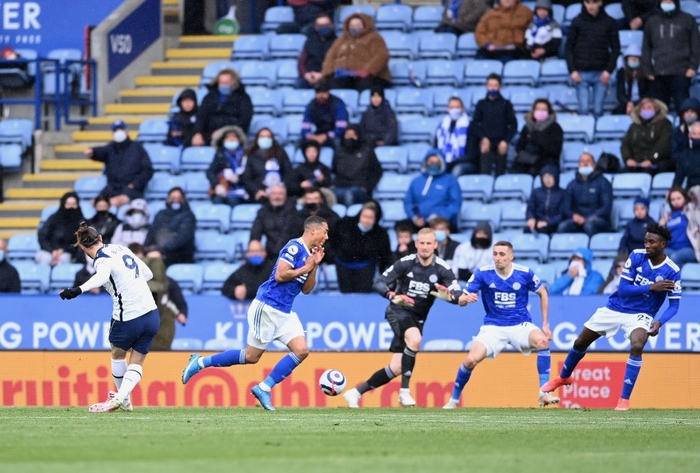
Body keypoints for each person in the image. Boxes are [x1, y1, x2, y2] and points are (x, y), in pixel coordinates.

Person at [181, 216, 329, 411]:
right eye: (325, 231)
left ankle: (264, 387)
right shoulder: (294, 247)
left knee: (302, 351)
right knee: (251, 356)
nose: (326, 236)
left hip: (285, 311)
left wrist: (314, 266)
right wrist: (306, 266)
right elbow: (280, 275)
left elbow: (307, 289)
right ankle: (200, 362)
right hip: (267, 307)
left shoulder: (310, 254)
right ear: (313, 231)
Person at [542, 224, 681, 411]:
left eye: (652, 242)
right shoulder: (636, 256)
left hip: (641, 315)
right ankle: (564, 377)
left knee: (638, 344)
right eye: (646, 241)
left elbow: (674, 306)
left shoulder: (672, 271)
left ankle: (623, 400)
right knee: (580, 342)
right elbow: (623, 290)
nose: (647, 245)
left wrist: (659, 322)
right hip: (615, 307)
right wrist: (650, 287)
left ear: (663, 244)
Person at [344, 228, 463, 408]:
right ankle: (404, 392)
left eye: (428, 243)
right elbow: (379, 283)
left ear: (435, 245)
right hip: (397, 310)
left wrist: (461, 298)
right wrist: (393, 296)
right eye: (421, 243)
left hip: (418, 318)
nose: (424, 247)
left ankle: (355, 392)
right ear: (415, 244)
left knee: (397, 367)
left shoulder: (442, 268)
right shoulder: (405, 263)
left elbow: (455, 291)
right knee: (415, 340)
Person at [443, 240, 557, 409]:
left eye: (502, 254)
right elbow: (461, 300)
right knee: (470, 360)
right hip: (493, 327)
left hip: (520, 325)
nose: (498, 258)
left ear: (511, 256)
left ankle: (544, 393)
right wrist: (465, 299)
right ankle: (453, 400)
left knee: (543, 341)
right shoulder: (482, 273)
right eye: (495, 254)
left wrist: (545, 324)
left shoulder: (524, 273)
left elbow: (543, 292)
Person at [59, 222, 159, 413]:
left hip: (129, 316)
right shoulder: (120, 248)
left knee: (117, 354)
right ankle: (124, 400)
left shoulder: (101, 259)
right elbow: (148, 273)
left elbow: (102, 275)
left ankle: (123, 398)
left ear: (82, 247)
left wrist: (78, 290)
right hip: (152, 314)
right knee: (136, 362)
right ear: (101, 238)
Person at [642, 0, 700, 115]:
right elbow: (646, 48)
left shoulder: (688, 19)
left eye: (670, 0)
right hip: (658, 73)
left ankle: (683, 132)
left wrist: (693, 66)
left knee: (683, 110)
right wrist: (648, 70)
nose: (667, 3)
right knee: (659, 113)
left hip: (681, 73)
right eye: (664, 0)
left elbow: (696, 45)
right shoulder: (652, 21)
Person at [567, 0, 620, 118]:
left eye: (594, 2)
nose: (591, 6)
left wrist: (608, 71)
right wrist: (572, 70)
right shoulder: (577, 22)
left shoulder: (610, 22)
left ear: (600, 3)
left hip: (601, 73)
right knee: (583, 109)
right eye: (587, 2)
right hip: (581, 72)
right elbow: (569, 48)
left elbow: (616, 49)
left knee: (598, 110)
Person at [84, 120, 154, 208]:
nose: (118, 132)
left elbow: (148, 170)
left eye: (121, 129)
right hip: (112, 188)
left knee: (113, 202)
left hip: (130, 190)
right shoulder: (111, 148)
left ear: (126, 131)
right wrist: (92, 152)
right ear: (112, 133)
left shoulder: (137, 148)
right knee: (94, 202)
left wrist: (135, 184)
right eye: (115, 130)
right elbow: (100, 152)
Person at [331, 201, 391, 293]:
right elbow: (332, 241)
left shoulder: (380, 234)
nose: (366, 220)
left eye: (370, 218)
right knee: (346, 296)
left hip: (366, 268)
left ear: (376, 219)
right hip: (343, 266)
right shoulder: (344, 224)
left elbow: (384, 255)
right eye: (364, 216)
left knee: (362, 296)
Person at [320, 13, 391, 91]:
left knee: (364, 84)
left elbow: (381, 56)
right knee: (332, 83)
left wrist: (368, 70)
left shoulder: (374, 38)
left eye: (358, 25)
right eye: (352, 25)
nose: (354, 28)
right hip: (344, 75)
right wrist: (327, 73)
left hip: (370, 76)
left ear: (365, 25)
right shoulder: (341, 40)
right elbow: (330, 57)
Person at [470, 73, 518, 176]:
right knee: (484, 173)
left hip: (501, 143)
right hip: (486, 143)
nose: (492, 88)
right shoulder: (481, 104)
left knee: (500, 173)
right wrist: (483, 138)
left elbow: (513, 125)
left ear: (500, 87)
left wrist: (506, 141)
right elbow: (474, 123)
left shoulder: (506, 104)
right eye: (490, 85)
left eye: (495, 85)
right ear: (486, 86)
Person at [191, 68, 253, 146]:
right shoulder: (209, 97)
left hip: (233, 134)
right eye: (221, 83)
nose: (223, 86)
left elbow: (245, 120)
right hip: (209, 135)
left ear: (234, 83)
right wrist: (198, 132)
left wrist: (223, 132)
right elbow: (201, 116)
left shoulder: (243, 98)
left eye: (226, 83)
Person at [404, 149, 462, 230]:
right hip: (421, 222)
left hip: (443, 221)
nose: (434, 164)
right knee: (402, 227)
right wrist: (414, 218)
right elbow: (408, 202)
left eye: (437, 162)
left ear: (442, 163)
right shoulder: (416, 181)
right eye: (431, 162)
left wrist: (440, 217)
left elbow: (455, 203)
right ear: (426, 162)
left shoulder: (450, 180)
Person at [558, 153, 613, 236]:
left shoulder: (603, 182)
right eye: (582, 161)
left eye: (588, 161)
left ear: (594, 165)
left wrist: (591, 217)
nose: (585, 163)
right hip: (578, 220)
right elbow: (566, 207)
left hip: (598, 219)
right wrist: (574, 215)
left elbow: (606, 207)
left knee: (589, 226)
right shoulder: (572, 185)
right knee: (562, 227)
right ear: (578, 165)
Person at [330, 125, 383, 207]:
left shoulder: (367, 151)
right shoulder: (339, 152)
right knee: (323, 194)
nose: (350, 137)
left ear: (358, 136)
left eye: (353, 135)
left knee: (349, 195)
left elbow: (377, 171)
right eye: (347, 135)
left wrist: (367, 187)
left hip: (359, 187)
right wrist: (333, 184)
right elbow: (334, 171)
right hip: (340, 186)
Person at [144, 187, 196, 266]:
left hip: (180, 254)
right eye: (173, 198)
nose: (176, 200)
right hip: (159, 251)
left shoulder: (188, 216)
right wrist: (146, 249)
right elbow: (151, 233)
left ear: (184, 200)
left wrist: (161, 251)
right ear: (168, 199)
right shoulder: (161, 214)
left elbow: (182, 238)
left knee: (154, 258)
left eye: (179, 198)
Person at [621, 97, 673, 174]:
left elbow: (663, 146)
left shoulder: (664, 124)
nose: (646, 110)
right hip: (636, 163)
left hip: (656, 163)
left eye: (649, 107)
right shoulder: (634, 126)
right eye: (643, 108)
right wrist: (628, 159)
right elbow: (625, 145)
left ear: (656, 109)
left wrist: (652, 160)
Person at [512, 99, 563, 176]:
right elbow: (520, 146)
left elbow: (555, 150)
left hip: (547, 162)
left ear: (549, 112)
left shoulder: (555, 128)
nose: (541, 112)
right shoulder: (527, 127)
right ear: (533, 111)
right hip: (526, 161)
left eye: (544, 109)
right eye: (538, 109)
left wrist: (537, 142)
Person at [250, 183, 302, 260]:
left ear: (285, 196)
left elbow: (287, 234)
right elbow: (256, 231)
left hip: (290, 255)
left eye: (280, 194)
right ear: (269, 195)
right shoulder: (263, 212)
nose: (277, 197)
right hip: (269, 255)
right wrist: (254, 242)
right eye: (274, 194)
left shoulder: (292, 211)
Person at [242, 127, 293, 203]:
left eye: (268, 137)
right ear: (257, 139)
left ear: (272, 139)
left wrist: (281, 188)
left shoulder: (280, 153)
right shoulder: (251, 156)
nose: (265, 139)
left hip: (279, 191)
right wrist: (257, 191)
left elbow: (289, 172)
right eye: (262, 137)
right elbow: (247, 178)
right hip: (260, 193)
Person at [36, 192, 85, 266]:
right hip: (49, 250)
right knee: (45, 259)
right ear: (63, 204)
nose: (71, 207)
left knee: (63, 260)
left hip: (69, 253)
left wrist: (64, 250)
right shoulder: (54, 219)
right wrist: (52, 250)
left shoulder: (81, 222)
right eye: (68, 204)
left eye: (74, 204)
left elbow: (80, 242)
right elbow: (43, 236)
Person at [206, 125, 249, 207]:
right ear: (223, 141)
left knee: (233, 200)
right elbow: (210, 172)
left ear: (239, 140)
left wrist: (239, 179)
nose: (231, 140)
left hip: (243, 189)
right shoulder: (220, 154)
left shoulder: (246, 154)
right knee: (217, 200)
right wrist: (217, 185)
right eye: (228, 138)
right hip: (225, 188)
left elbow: (251, 174)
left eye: (234, 137)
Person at [659, 186, 699, 268]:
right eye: (673, 199)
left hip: (689, 249)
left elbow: (698, 192)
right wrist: (661, 226)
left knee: (675, 257)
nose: (676, 201)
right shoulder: (668, 216)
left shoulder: (692, 211)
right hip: (671, 248)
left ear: (685, 198)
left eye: (679, 198)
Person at [301, 81, 349, 149]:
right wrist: (310, 136)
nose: (321, 95)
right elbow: (305, 126)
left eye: (324, 92)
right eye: (318, 92)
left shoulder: (338, 104)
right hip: (319, 133)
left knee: (338, 142)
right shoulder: (311, 105)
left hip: (335, 134)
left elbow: (341, 128)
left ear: (328, 92)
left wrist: (326, 136)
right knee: (300, 142)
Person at [435, 96, 474, 177]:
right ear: (447, 109)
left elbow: (472, 154)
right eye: (452, 107)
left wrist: (453, 162)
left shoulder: (470, 126)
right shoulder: (441, 128)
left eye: (457, 107)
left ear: (463, 109)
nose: (454, 110)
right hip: (445, 162)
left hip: (464, 163)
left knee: (457, 170)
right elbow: (435, 149)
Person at [296, 13, 337, 89]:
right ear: (316, 27)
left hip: (328, 77)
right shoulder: (310, 41)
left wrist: (322, 75)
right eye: (320, 26)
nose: (323, 27)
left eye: (326, 25)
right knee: (300, 84)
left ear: (332, 26)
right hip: (310, 77)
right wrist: (305, 74)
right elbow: (301, 62)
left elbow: (338, 64)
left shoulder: (338, 42)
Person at [525, 165, 566, 235]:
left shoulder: (563, 193)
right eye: (545, 177)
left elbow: (562, 214)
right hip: (538, 222)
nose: (547, 180)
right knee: (527, 230)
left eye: (550, 176)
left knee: (543, 230)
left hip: (554, 224)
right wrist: (531, 218)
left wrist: (547, 222)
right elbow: (530, 209)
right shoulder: (536, 192)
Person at [614, 44, 650, 115]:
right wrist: (629, 103)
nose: (634, 59)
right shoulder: (622, 73)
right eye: (631, 57)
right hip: (626, 103)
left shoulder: (646, 73)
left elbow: (648, 93)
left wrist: (636, 104)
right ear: (626, 59)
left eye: (636, 57)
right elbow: (620, 94)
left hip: (642, 103)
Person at [673, 122, 700, 190]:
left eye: (699, 134)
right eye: (694, 134)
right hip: (691, 191)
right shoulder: (684, 155)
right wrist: (673, 191)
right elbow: (678, 178)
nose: (697, 136)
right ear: (689, 135)